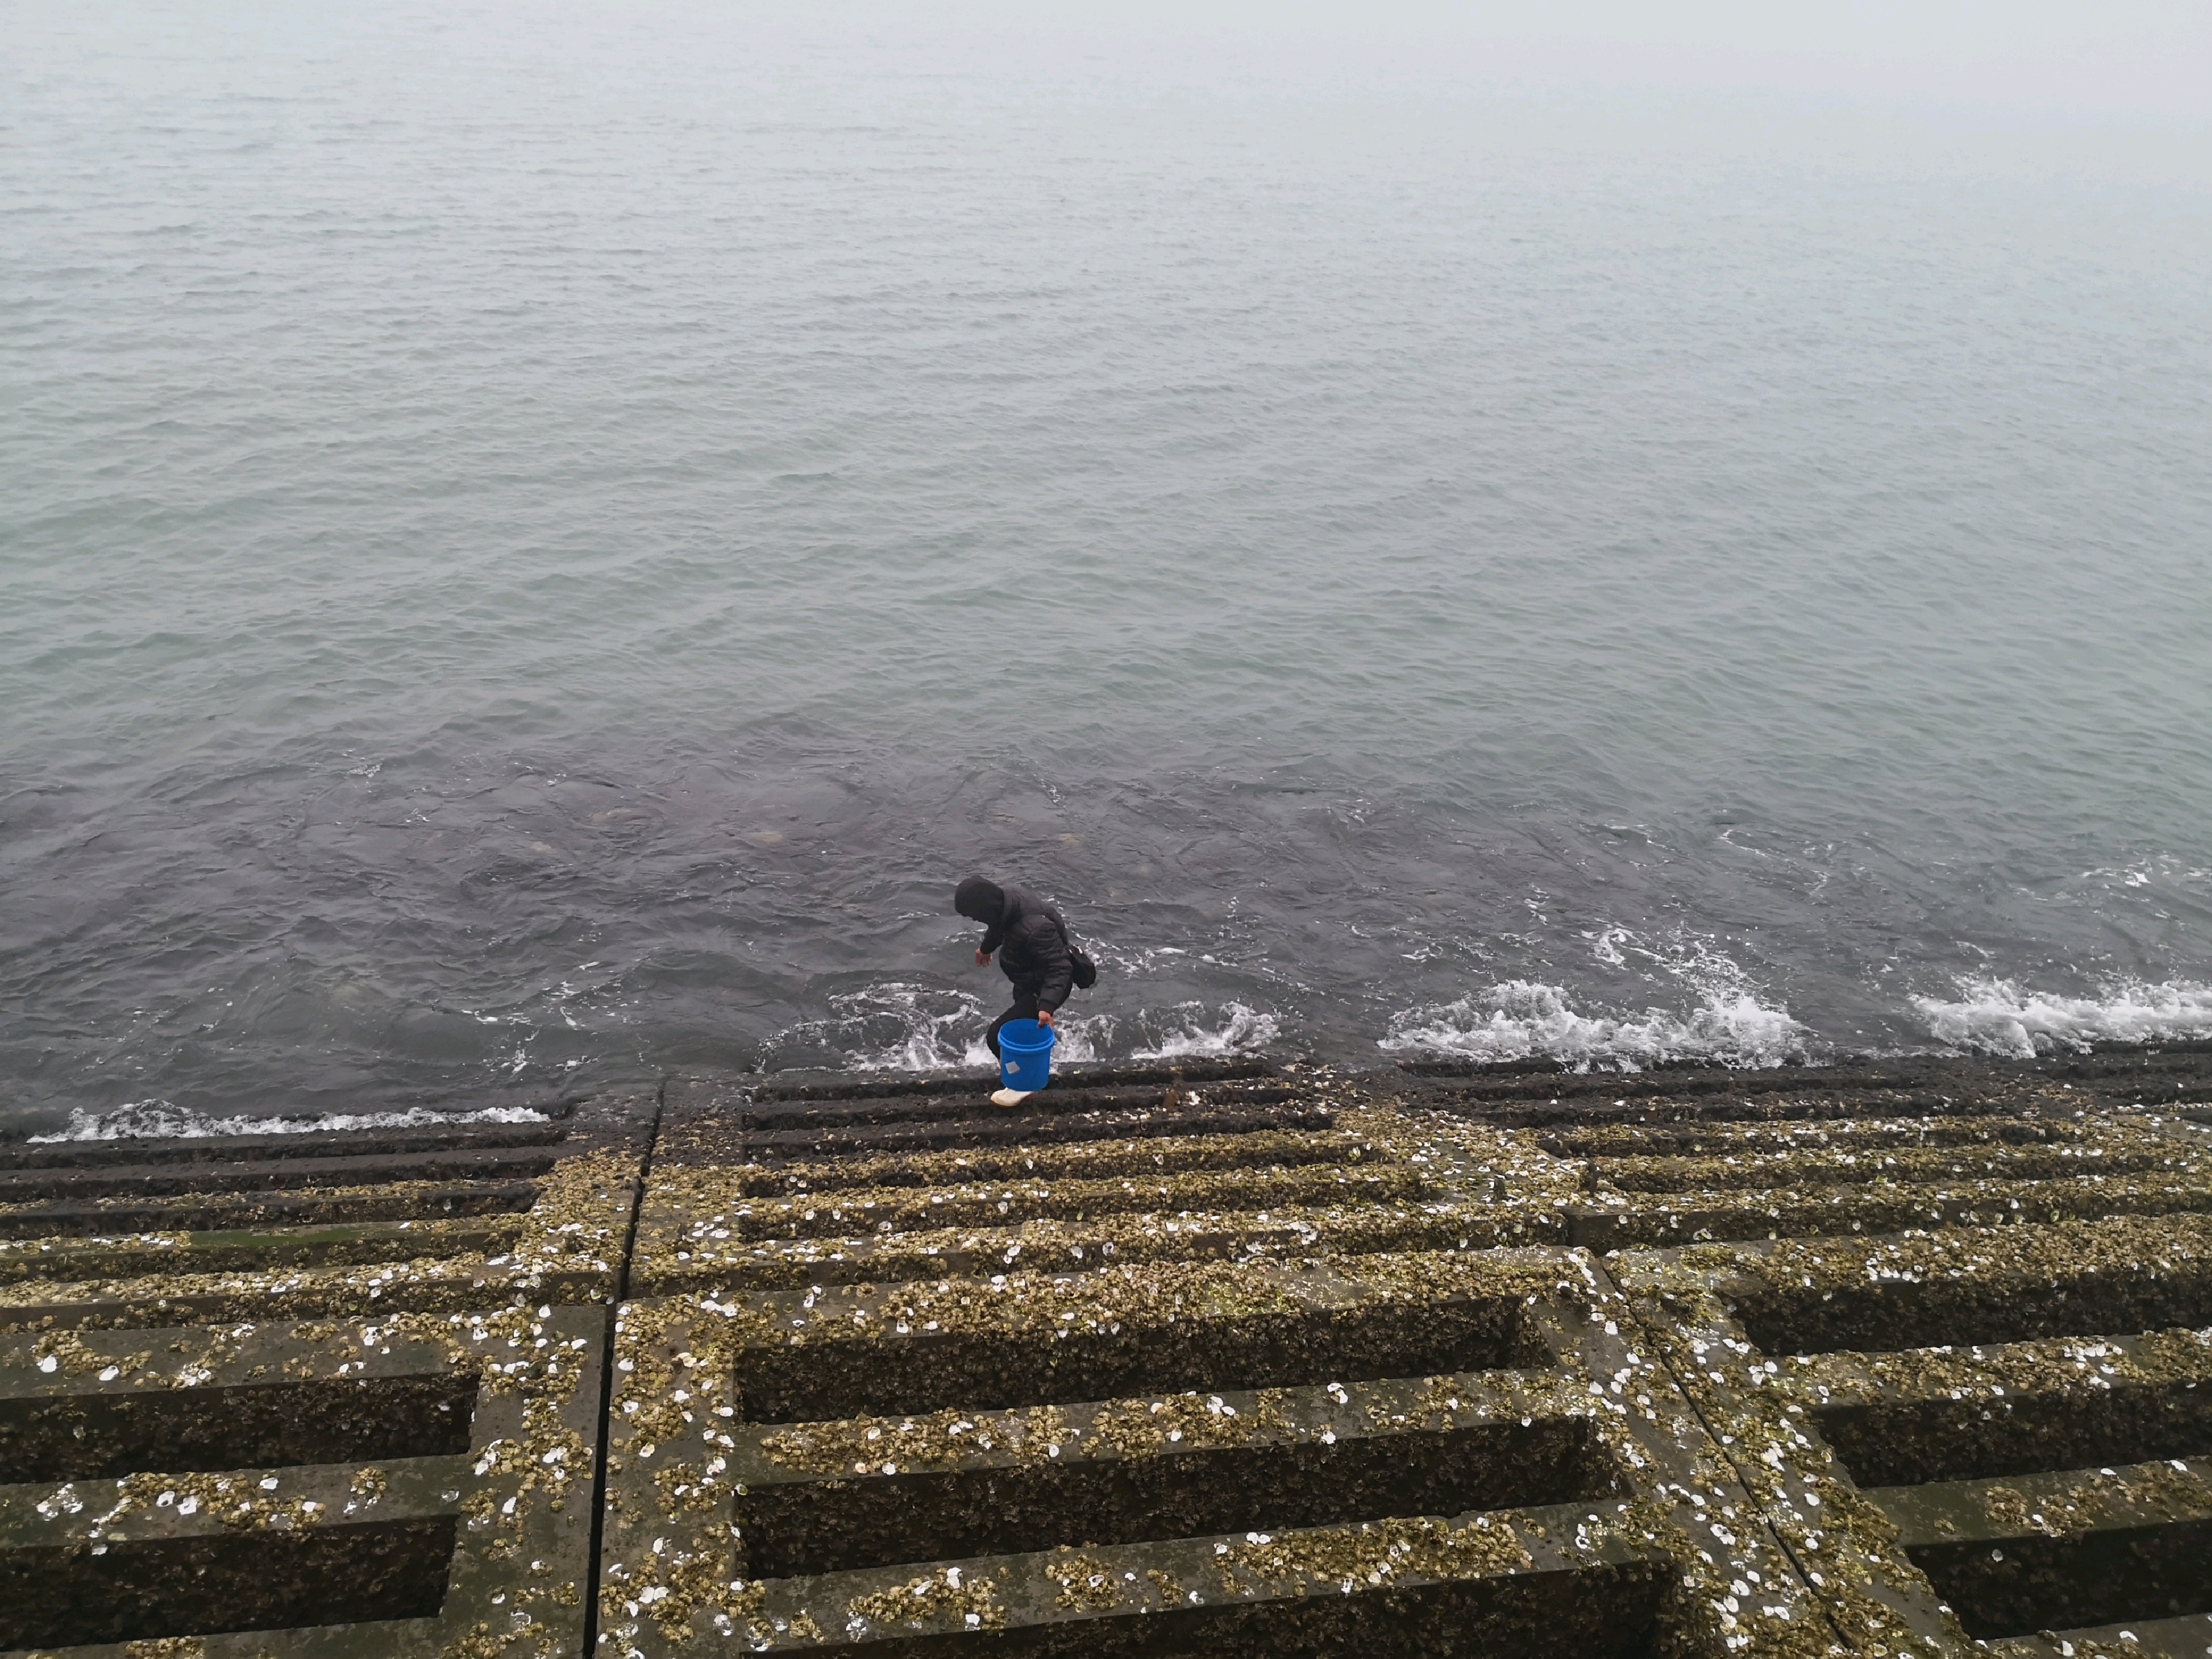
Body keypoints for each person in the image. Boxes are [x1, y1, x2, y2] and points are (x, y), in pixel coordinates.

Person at [954, 875, 1081, 1106]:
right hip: (1029, 978)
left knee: (997, 1036)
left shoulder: (1036, 928)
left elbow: (1061, 968)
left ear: (985, 909)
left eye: (974, 915)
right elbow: (998, 925)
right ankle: (1028, 1074)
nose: (974, 919)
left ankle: (1022, 1085)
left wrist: (1046, 1005)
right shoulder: (1007, 900)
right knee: (1024, 1029)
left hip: (1044, 987)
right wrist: (986, 948)